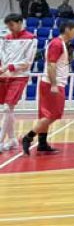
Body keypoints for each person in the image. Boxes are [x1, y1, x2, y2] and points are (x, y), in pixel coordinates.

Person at [21, 20, 74, 156]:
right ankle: (28, 137)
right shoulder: (57, 44)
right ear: (67, 29)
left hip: (52, 83)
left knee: (46, 115)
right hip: (52, 84)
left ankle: (42, 144)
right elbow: (51, 65)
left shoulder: (60, 44)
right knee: (53, 114)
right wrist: (53, 84)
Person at [0, 13, 37, 152]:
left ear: (20, 22)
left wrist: (9, 67)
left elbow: (28, 61)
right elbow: (2, 56)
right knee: (8, 109)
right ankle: (12, 139)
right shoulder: (6, 38)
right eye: (8, 26)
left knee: (7, 108)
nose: (10, 28)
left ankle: (1, 140)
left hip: (20, 76)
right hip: (4, 76)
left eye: (12, 25)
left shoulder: (31, 38)